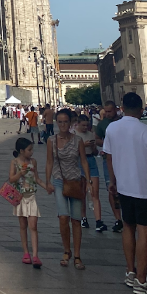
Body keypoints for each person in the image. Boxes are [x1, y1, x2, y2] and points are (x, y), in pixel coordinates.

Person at [104, 92, 147, 294]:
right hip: (144, 190)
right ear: (141, 110)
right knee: (144, 233)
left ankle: (130, 272)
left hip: (123, 187)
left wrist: (113, 181)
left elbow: (109, 156)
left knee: (128, 228)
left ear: (121, 108)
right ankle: (142, 280)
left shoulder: (112, 128)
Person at [46, 109, 91, 270]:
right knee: (63, 217)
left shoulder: (77, 140)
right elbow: (49, 162)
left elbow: (84, 161)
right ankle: (66, 250)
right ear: (56, 123)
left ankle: (77, 255)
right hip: (59, 180)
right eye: (60, 122)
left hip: (75, 181)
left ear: (70, 123)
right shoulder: (51, 140)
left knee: (76, 219)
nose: (63, 125)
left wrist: (89, 180)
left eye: (66, 122)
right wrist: (47, 181)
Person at [8, 138, 48, 269]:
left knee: (33, 225)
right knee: (23, 225)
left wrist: (46, 187)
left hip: (31, 196)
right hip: (20, 197)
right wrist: (20, 173)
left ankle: (35, 255)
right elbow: (11, 179)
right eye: (29, 150)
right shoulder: (14, 162)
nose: (31, 152)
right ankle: (26, 252)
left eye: (32, 149)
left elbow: (36, 179)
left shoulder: (33, 162)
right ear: (21, 151)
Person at [95, 101, 124, 233]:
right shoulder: (102, 124)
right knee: (111, 188)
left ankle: (127, 216)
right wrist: (107, 143)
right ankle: (118, 219)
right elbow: (97, 139)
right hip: (108, 160)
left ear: (116, 110)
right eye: (105, 111)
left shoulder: (123, 122)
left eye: (109, 111)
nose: (107, 114)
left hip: (123, 160)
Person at [75, 115, 106, 232]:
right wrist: (83, 145)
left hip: (91, 161)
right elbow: (72, 151)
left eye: (86, 125)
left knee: (94, 192)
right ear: (77, 124)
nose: (85, 127)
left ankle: (98, 220)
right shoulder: (74, 135)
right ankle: (83, 218)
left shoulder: (90, 134)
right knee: (82, 193)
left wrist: (93, 147)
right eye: (82, 125)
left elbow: (94, 152)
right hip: (78, 162)